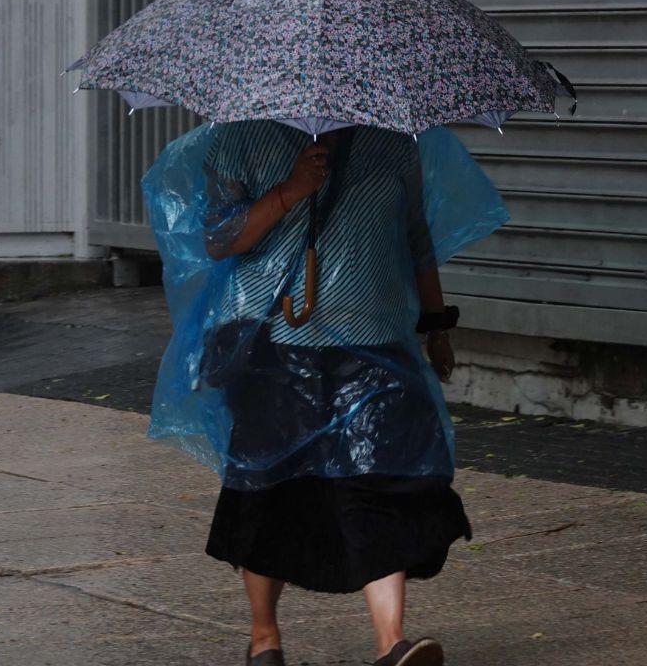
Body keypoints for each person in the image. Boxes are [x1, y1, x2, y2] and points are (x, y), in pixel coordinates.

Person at [197, 120, 470, 666]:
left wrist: (437, 323)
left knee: (382, 481)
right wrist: (290, 191)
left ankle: (392, 643)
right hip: (272, 344)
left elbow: (416, 240)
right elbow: (219, 239)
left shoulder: (393, 145)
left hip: (375, 345)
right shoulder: (237, 141)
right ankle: (264, 640)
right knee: (267, 488)